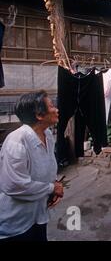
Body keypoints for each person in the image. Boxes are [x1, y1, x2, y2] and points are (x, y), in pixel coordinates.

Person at [0, 90, 63, 241]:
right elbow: (14, 186)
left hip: (38, 215)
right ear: (39, 115)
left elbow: (47, 167)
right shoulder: (17, 141)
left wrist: (53, 187)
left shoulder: (47, 134)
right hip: (16, 224)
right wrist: (52, 188)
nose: (57, 109)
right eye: (52, 106)